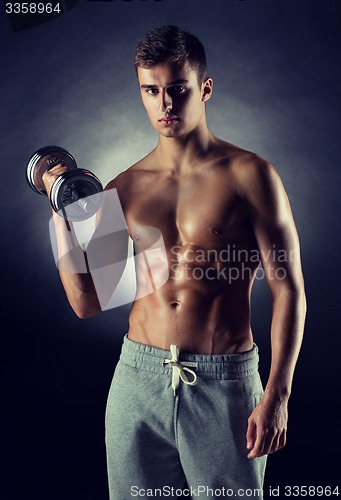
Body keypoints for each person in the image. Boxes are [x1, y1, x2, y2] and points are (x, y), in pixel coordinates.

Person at [42, 25, 306, 500]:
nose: (165, 104)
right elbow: (88, 301)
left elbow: (288, 288)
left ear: (204, 88)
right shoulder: (122, 187)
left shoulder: (251, 176)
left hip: (224, 383)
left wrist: (278, 395)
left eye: (178, 89)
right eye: (152, 90)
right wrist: (61, 208)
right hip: (137, 380)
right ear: (140, 92)